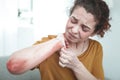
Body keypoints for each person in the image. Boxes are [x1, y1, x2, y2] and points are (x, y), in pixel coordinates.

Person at [6, 0, 111, 80]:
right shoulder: (49, 42)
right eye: (73, 21)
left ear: (93, 32)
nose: (74, 30)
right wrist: (56, 43)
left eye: (84, 28)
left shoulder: (95, 48)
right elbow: (13, 66)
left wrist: (76, 65)